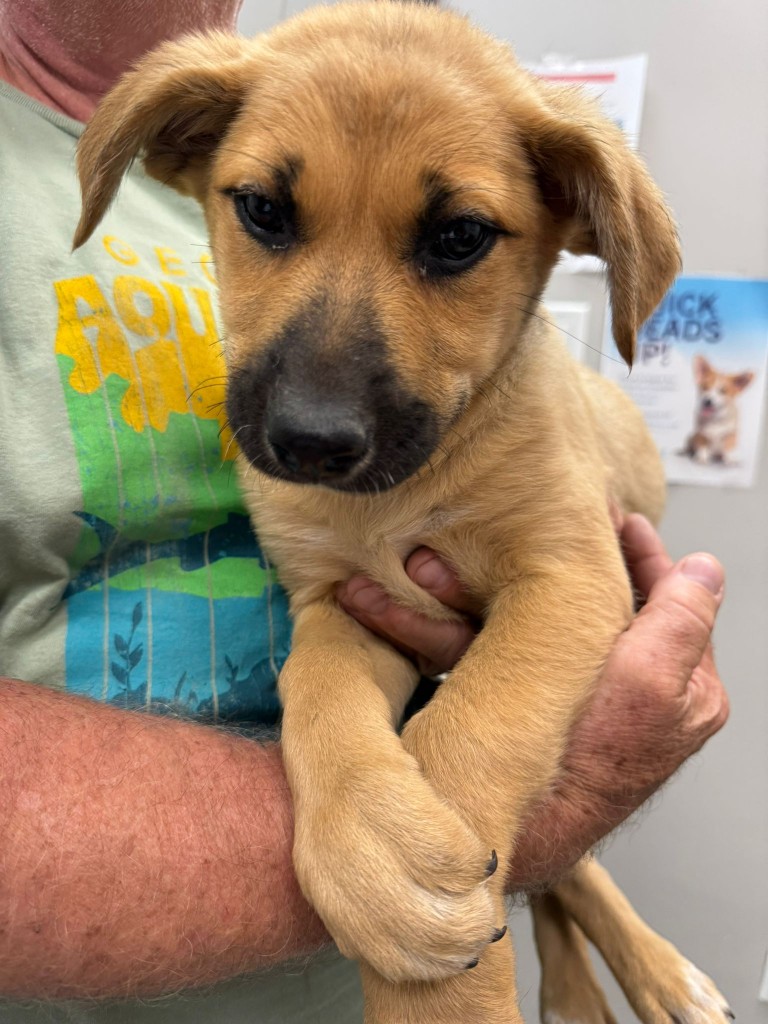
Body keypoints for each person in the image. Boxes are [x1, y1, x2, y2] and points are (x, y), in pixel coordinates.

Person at [0, 0, 728, 1020]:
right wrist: (363, 763)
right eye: (266, 215)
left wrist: (459, 793)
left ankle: (586, 929)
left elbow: (563, 582)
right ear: (173, 159)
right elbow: (339, 610)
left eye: (455, 239)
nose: (315, 417)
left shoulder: (296, 114)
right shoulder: (211, 116)